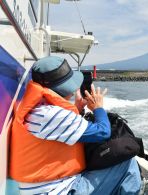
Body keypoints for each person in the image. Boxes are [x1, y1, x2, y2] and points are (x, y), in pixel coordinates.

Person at [9, 56, 141, 195]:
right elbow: (102, 132)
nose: (73, 90)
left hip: (47, 188)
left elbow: (56, 130)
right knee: (127, 161)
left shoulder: (38, 110)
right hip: (61, 191)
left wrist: (77, 109)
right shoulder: (50, 115)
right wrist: (98, 108)